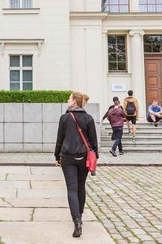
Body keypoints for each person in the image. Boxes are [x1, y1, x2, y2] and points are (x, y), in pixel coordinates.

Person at [54, 91, 99, 238]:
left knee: (71, 189)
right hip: (84, 157)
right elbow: (93, 141)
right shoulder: (88, 118)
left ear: (74, 101)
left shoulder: (65, 118)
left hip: (68, 157)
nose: (68, 100)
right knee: (81, 186)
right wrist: (95, 157)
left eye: (69, 98)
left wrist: (56, 156)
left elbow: (60, 139)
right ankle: (80, 215)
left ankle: (77, 221)